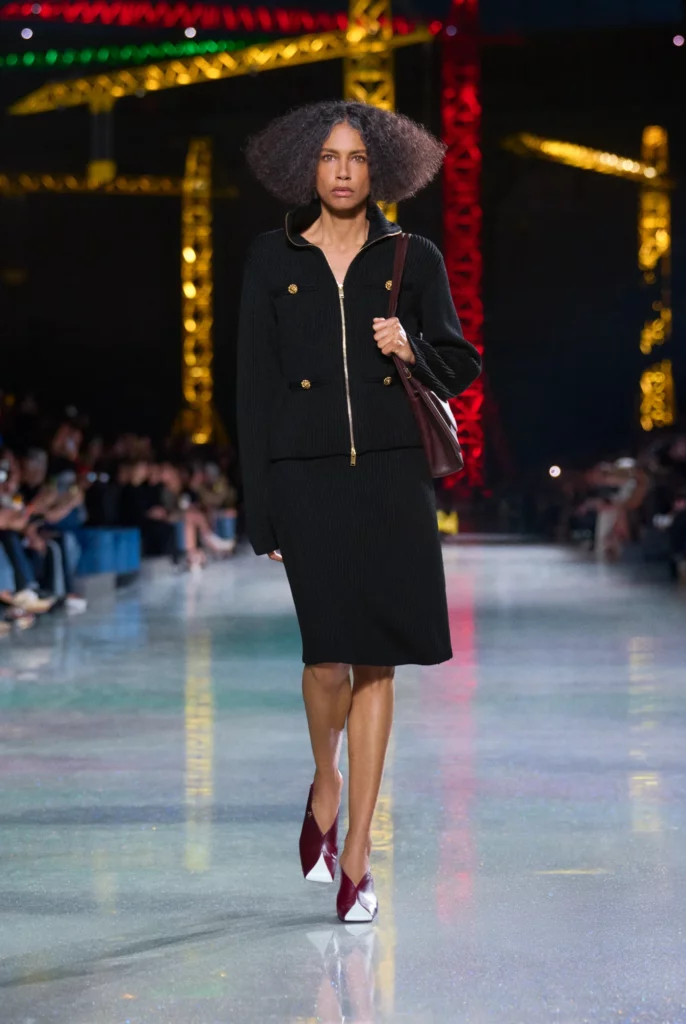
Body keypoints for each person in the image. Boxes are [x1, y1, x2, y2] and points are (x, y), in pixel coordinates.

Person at [237, 100, 482, 923]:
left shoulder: (410, 256)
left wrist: (408, 345)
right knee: (325, 660)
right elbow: (253, 390)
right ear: (307, 166)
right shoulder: (272, 258)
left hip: (389, 476)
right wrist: (258, 508)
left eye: (357, 159)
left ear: (380, 169)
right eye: (329, 157)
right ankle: (326, 777)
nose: (342, 171)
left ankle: (357, 854)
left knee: (377, 661)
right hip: (304, 477)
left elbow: (457, 364)